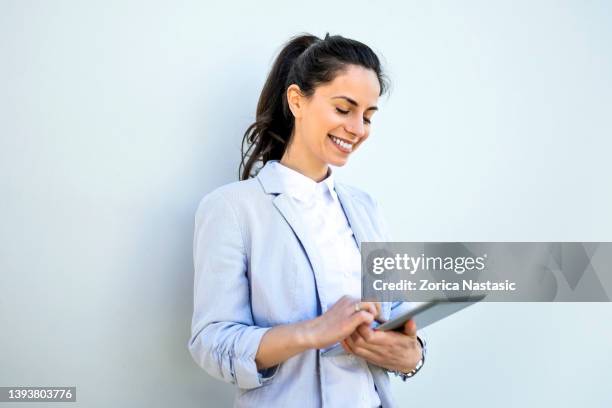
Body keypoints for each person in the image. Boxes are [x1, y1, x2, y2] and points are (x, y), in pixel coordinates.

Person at [188, 32, 427, 408]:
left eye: (367, 115)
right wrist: (314, 332)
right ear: (297, 100)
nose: (358, 128)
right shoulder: (232, 208)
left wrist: (410, 355)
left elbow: (397, 315)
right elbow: (212, 342)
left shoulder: (366, 208)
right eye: (344, 109)